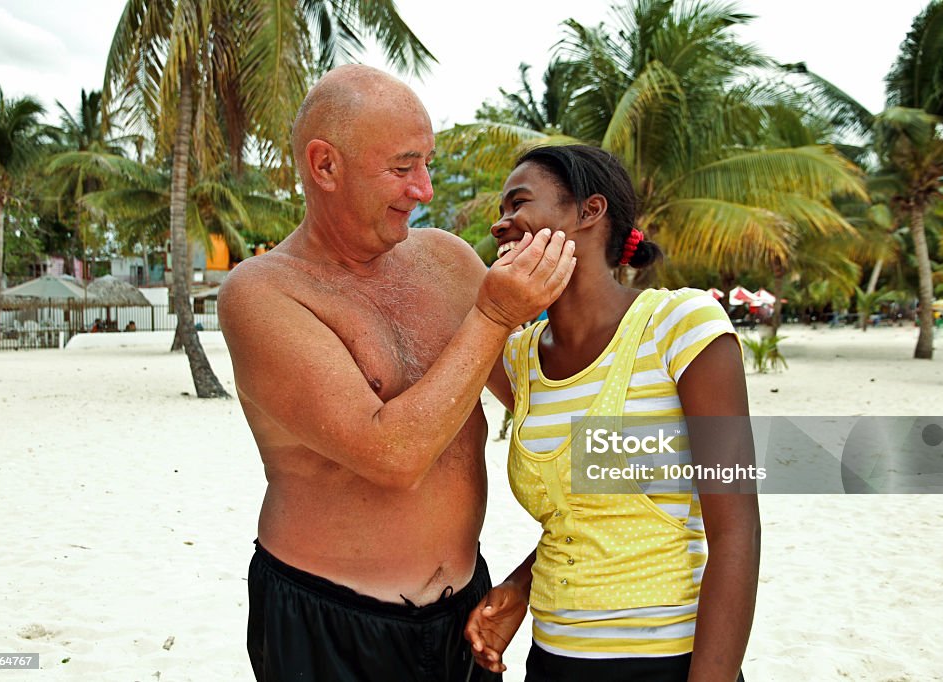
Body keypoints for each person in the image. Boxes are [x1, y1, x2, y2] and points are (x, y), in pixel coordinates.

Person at [217, 65, 576, 682]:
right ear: (324, 166)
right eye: (403, 166)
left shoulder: (448, 259)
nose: (425, 189)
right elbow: (392, 455)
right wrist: (493, 313)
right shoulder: (260, 293)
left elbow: (545, 400)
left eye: (428, 163)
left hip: (468, 608)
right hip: (328, 619)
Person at [465, 145, 760, 681]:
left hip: (670, 661)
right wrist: (518, 587)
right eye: (502, 210)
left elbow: (736, 529)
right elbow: (579, 517)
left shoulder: (682, 326)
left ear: (589, 212)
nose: (500, 223)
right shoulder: (516, 357)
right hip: (553, 661)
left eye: (518, 204)